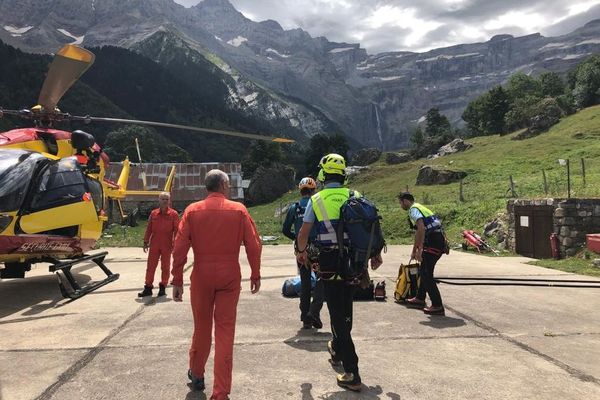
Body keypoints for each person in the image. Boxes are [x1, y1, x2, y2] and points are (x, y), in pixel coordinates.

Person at [171, 169, 262, 400]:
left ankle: (197, 375)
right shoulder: (238, 210)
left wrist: (177, 278)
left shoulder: (192, 211)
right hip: (229, 275)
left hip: (201, 275)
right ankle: (220, 392)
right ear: (222, 186)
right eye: (228, 185)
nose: (229, 188)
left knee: (201, 328)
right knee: (224, 332)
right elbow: (253, 245)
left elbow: (179, 247)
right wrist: (255, 273)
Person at [296, 154, 383, 392]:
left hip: (330, 262)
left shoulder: (317, 199)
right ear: (344, 174)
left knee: (337, 315)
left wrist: (301, 253)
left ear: (323, 175)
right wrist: (375, 254)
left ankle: (352, 372)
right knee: (346, 308)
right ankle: (336, 345)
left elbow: (304, 234)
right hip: (355, 264)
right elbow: (370, 226)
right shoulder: (356, 196)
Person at [282, 177, 324, 330]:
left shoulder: (295, 207)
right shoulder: (317, 205)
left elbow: (285, 229)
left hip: (302, 249)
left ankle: (305, 317)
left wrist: (297, 239)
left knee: (305, 282)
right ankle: (315, 311)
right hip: (318, 247)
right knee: (321, 279)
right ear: (314, 190)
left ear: (301, 191)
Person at [398, 192, 447, 316]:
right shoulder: (420, 207)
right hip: (436, 239)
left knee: (426, 274)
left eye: (400, 202)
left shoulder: (413, 210)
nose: (400, 205)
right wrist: (415, 250)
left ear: (405, 201)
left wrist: (419, 251)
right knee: (424, 271)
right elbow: (420, 232)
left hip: (433, 241)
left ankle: (437, 305)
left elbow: (421, 229)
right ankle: (420, 298)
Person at [138, 191, 179, 297]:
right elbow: (149, 228)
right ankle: (148, 288)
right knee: (150, 267)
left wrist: (176, 244)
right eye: (163, 199)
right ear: (159, 200)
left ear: (169, 201)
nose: (165, 201)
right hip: (155, 244)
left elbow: (177, 231)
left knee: (165, 267)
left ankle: (163, 287)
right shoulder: (153, 213)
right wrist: (145, 241)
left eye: (167, 199)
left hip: (167, 245)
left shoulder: (173, 214)